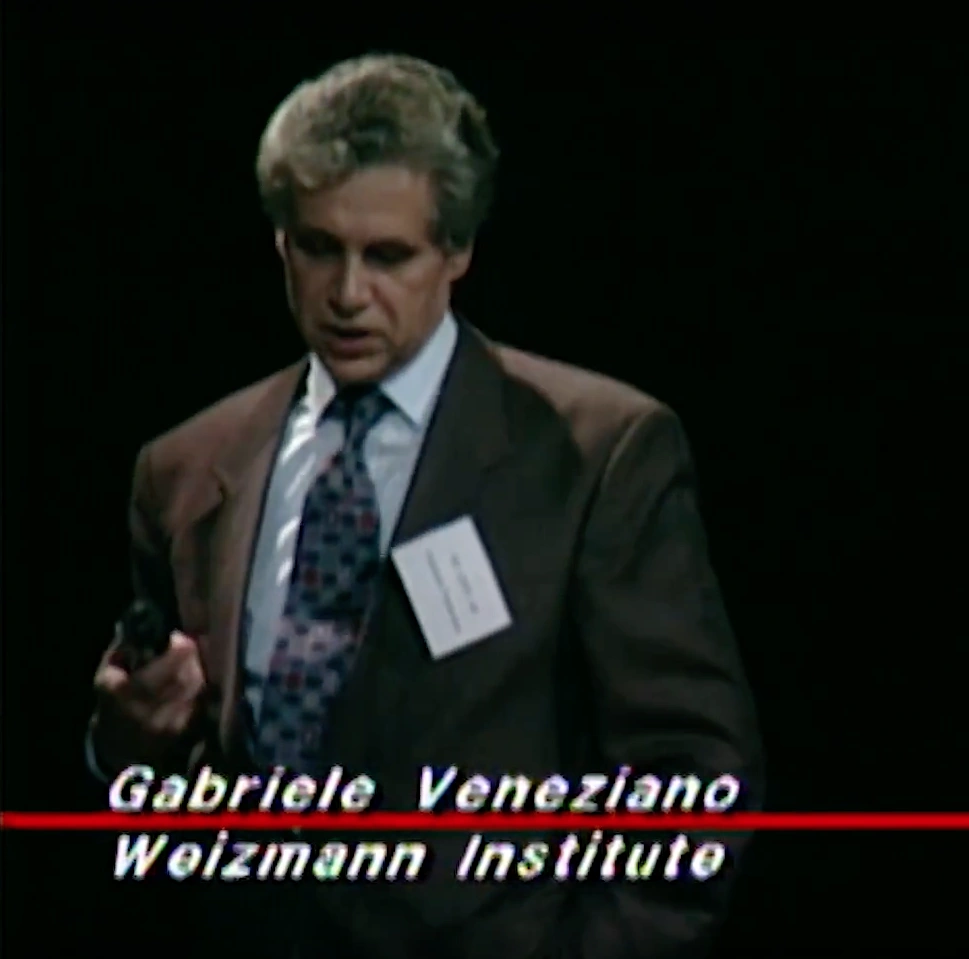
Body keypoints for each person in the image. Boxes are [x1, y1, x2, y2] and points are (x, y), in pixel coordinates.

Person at [86, 53, 763, 958]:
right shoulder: (185, 468)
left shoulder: (596, 455)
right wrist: (126, 746)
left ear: (457, 251)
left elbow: (692, 778)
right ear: (280, 243)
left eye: (388, 256)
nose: (348, 294)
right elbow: (174, 783)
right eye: (318, 248)